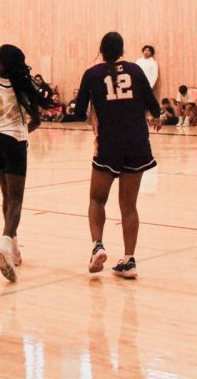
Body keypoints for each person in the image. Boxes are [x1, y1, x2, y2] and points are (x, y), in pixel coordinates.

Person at [74, 32, 163, 280]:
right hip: (137, 144)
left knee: (97, 199)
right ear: (123, 50)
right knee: (129, 205)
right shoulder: (135, 70)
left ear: (101, 50)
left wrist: (91, 111)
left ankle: (98, 246)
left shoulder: (92, 74)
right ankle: (129, 260)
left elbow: (79, 111)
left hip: (108, 144)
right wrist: (156, 116)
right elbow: (151, 101)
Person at [0, 44, 49, 283]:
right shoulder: (20, 85)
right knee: (16, 199)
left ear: (1, 61)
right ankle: (5, 242)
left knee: (7, 195)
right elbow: (36, 119)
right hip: (13, 140)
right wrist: (22, 133)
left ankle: (14, 251)